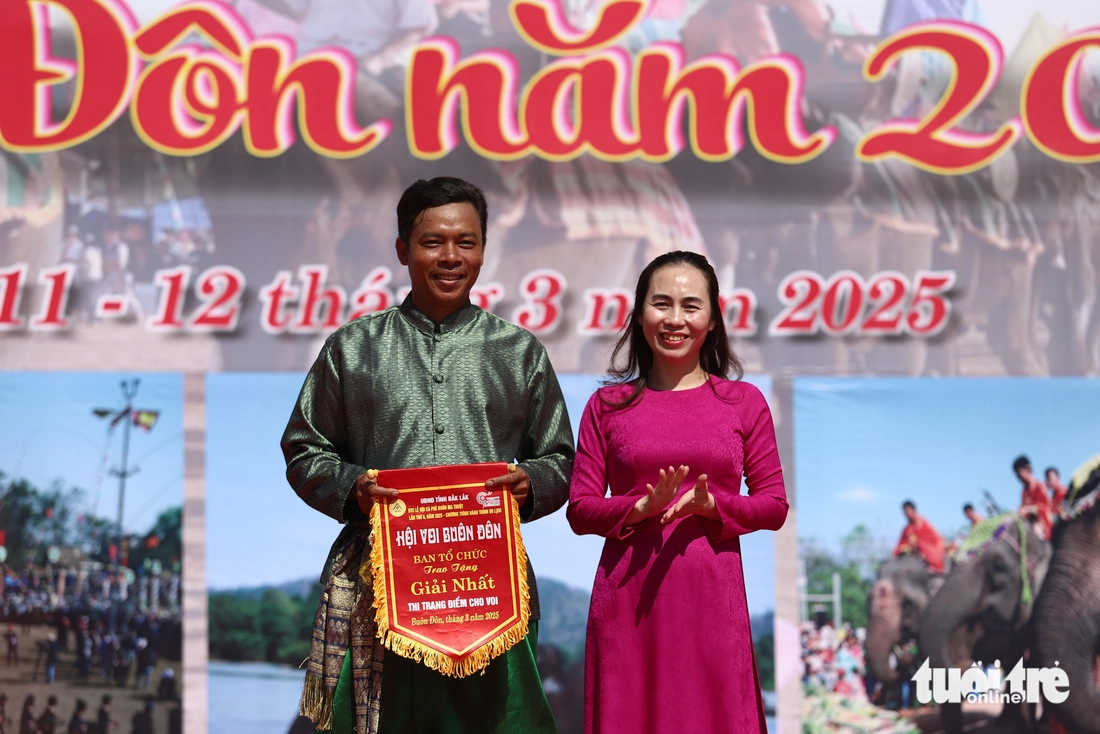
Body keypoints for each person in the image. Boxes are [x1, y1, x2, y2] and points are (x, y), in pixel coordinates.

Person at [282, 177, 574, 734]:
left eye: (466, 242)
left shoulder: (519, 352)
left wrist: (529, 482)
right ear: (402, 250)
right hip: (379, 590)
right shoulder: (353, 347)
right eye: (432, 242)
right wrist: (353, 488)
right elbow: (304, 447)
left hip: (494, 593)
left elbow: (561, 458)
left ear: (484, 250)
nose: (450, 257)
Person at [566, 250, 788, 733]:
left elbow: (773, 505)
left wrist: (717, 506)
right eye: (661, 303)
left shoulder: (743, 403)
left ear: (712, 319)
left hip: (713, 604)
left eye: (691, 306)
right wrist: (637, 507)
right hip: (627, 605)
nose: (675, 319)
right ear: (640, 313)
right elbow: (580, 509)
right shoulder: (606, 406)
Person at [893, 501, 946, 573]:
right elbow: (900, 544)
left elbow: (936, 539)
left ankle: (932, 568)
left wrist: (919, 545)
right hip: (911, 556)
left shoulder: (925, 525)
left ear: (913, 510)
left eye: (907, 510)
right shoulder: (907, 529)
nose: (906, 514)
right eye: (904, 512)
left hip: (927, 556)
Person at [1014, 455, 1053, 540]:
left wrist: (1028, 509)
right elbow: (1022, 507)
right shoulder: (1024, 491)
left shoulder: (1039, 486)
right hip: (1028, 521)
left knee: (1036, 528)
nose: (1019, 478)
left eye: (1020, 474)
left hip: (1041, 523)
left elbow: (1044, 507)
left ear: (1028, 469)